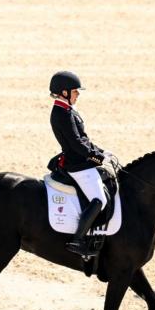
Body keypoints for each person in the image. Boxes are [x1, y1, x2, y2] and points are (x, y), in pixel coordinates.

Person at [49, 71, 117, 259]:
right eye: (75, 92)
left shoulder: (68, 111)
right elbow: (77, 145)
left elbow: (84, 140)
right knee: (99, 200)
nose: (77, 94)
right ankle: (77, 240)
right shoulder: (61, 114)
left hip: (83, 160)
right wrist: (97, 159)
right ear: (64, 92)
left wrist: (101, 152)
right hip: (78, 165)